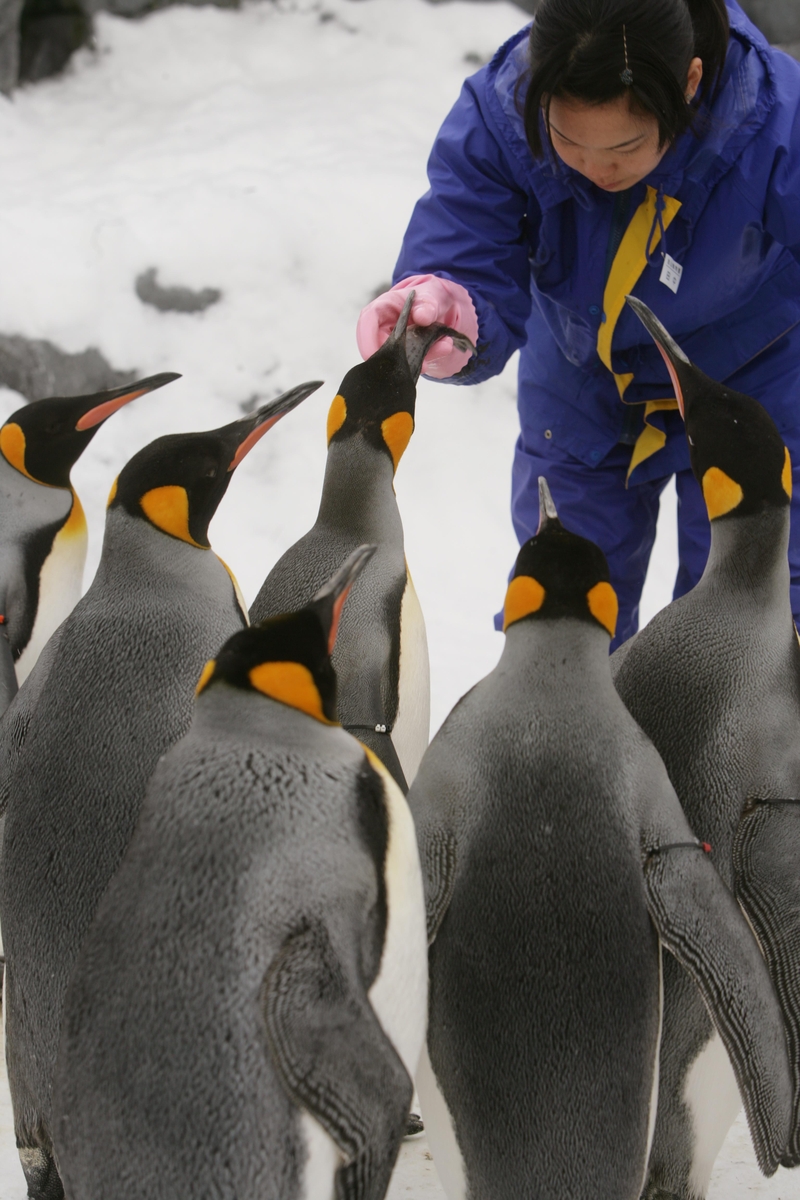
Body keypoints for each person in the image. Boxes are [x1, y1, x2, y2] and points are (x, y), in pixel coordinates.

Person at [357, 0, 800, 649]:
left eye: (624, 145)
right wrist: (447, 304)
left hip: (757, 387)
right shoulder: (503, 113)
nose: (596, 166)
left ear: (690, 83)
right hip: (584, 382)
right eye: (567, 139)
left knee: (750, 624)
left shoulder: (777, 126)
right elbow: (466, 232)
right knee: (561, 614)